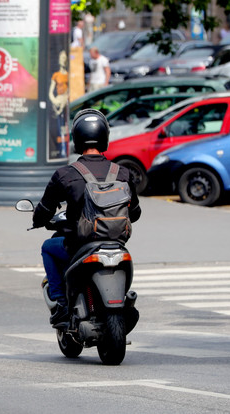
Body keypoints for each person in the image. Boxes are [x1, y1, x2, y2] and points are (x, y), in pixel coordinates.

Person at [32, 109, 141, 325]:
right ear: (105, 137)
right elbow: (135, 213)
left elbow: (44, 210)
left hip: (79, 245)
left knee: (48, 247)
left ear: (76, 138)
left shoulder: (66, 174)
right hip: (118, 245)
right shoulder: (122, 172)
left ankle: (61, 303)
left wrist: (38, 221)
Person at [48, 50, 69, 158]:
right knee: (59, 127)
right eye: (61, 58)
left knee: (64, 127)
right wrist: (55, 101)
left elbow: (69, 90)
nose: (63, 61)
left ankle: (64, 149)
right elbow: (50, 92)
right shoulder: (56, 75)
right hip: (59, 100)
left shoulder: (67, 75)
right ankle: (61, 149)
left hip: (65, 101)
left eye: (64, 58)